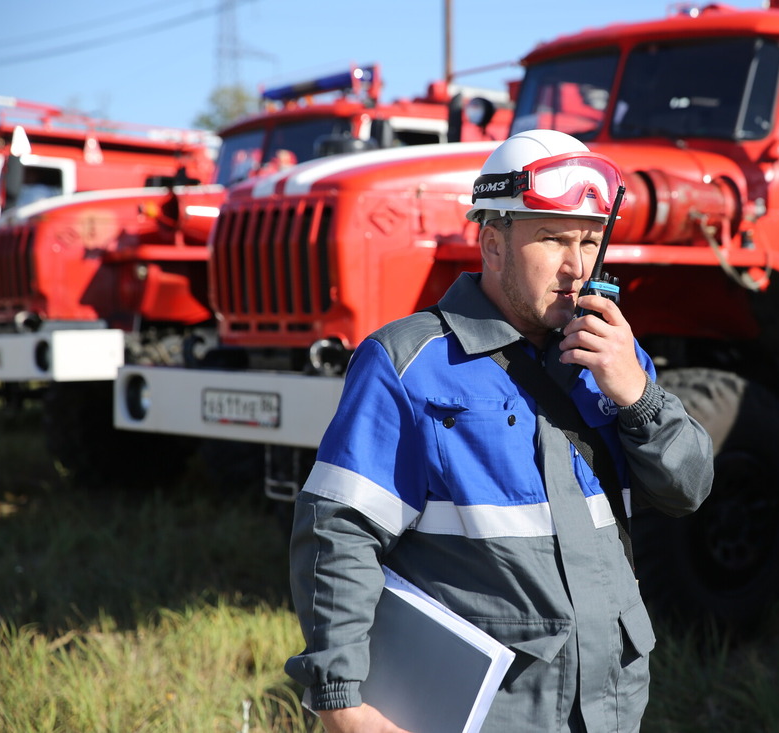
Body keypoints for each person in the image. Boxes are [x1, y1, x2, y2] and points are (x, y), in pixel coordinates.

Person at [285, 129, 714, 733]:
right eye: (553, 239)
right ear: (492, 243)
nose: (576, 266)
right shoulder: (408, 363)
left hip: (609, 708)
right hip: (487, 714)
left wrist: (638, 397)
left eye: (590, 241)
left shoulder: (612, 354)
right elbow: (340, 536)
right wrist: (340, 698)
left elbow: (688, 489)